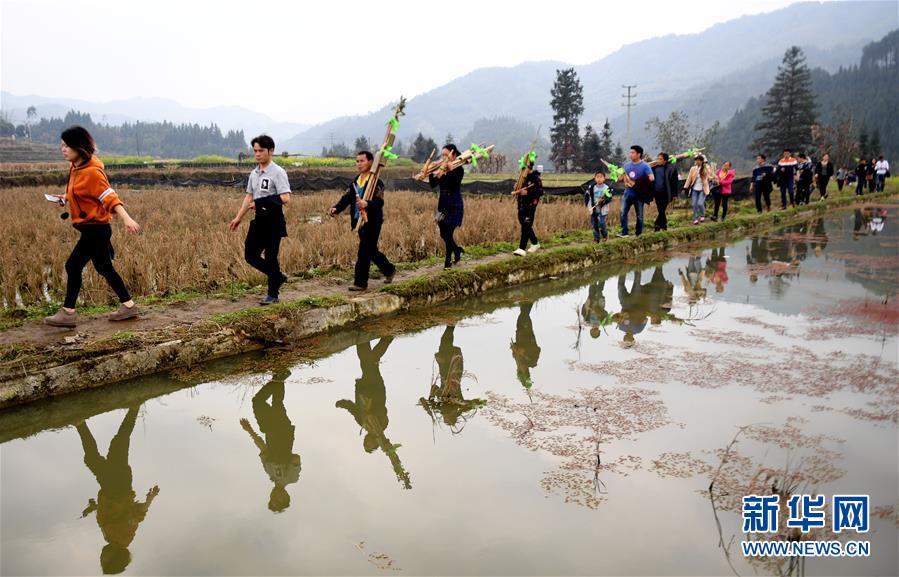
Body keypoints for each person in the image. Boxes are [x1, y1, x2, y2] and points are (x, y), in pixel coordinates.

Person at [44, 126, 141, 328]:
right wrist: (65, 198)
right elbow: (80, 192)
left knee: (73, 265)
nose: (63, 149)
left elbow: (109, 197)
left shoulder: (93, 172)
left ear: (79, 147)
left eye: (67, 145)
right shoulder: (75, 167)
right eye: (62, 145)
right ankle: (129, 306)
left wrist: (126, 218)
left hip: (96, 229)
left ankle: (68, 312)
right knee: (104, 267)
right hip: (91, 228)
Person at [76, 406, 158, 575]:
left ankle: (82, 423)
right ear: (114, 557)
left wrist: (94, 507)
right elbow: (135, 515)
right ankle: (81, 423)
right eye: (104, 559)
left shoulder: (112, 538)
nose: (101, 556)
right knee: (116, 444)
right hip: (118, 486)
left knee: (109, 449)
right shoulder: (123, 536)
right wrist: (150, 499)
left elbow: (113, 514)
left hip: (111, 488)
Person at [336, 337, 411, 489]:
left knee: (367, 362)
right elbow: (381, 410)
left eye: (365, 443)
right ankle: (381, 339)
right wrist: (371, 413)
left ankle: (365, 339)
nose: (367, 441)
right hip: (376, 390)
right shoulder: (382, 425)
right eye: (369, 444)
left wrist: (342, 404)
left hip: (364, 388)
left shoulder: (362, 423)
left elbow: (353, 409)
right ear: (376, 443)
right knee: (368, 362)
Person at [229, 135, 290, 305]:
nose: (257, 154)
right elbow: (249, 197)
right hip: (259, 221)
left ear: (271, 151)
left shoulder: (278, 172)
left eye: (261, 151)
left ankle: (273, 295)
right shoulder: (254, 174)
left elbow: (285, 198)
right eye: (255, 151)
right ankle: (277, 276)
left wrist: (262, 202)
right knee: (250, 255)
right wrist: (238, 217)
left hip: (274, 221)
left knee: (271, 257)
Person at [329, 150, 396, 291]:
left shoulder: (377, 182)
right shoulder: (356, 180)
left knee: (364, 251)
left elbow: (379, 202)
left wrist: (367, 204)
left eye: (362, 161)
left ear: (371, 162)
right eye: (357, 161)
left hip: (373, 221)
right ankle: (389, 270)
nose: (359, 164)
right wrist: (336, 208)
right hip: (358, 221)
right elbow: (346, 198)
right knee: (371, 250)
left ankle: (360, 283)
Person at [240, 368, 301, 513]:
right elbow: (296, 458)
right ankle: (278, 377)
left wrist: (249, 430)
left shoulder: (271, 474)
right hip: (283, 435)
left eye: (272, 499)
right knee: (272, 403)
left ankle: (278, 376)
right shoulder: (291, 478)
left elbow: (263, 449)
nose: (273, 496)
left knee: (266, 402)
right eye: (276, 499)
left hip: (270, 432)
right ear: (285, 496)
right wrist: (284, 461)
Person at [429, 144, 465, 268]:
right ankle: (457, 250)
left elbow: (453, 184)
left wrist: (446, 171)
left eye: (446, 155)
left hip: (454, 204)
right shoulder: (441, 168)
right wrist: (432, 171)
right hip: (443, 203)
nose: (443, 157)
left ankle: (447, 262)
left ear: (453, 155)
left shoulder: (458, 169)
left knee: (448, 233)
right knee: (443, 233)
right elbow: (433, 184)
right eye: (442, 155)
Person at [617, 145, 654, 237]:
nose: (630, 154)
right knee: (622, 212)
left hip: (639, 194)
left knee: (640, 216)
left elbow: (652, 178)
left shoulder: (645, 166)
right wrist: (618, 175)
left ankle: (639, 233)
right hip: (628, 193)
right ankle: (624, 232)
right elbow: (620, 178)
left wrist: (637, 183)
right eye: (630, 152)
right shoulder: (626, 165)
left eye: (633, 152)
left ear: (638, 154)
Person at [512, 163, 544, 256]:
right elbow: (518, 189)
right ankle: (535, 243)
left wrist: (528, 192)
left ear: (528, 168)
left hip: (530, 206)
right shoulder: (522, 178)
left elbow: (540, 192)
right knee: (525, 224)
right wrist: (516, 188)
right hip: (521, 205)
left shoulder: (535, 178)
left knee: (526, 225)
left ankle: (522, 248)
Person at [651, 153, 679, 231]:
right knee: (660, 209)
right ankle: (663, 225)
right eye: (658, 158)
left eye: (660, 159)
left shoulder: (671, 169)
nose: (658, 160)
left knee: (662, 209)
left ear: (665, 161)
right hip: (657, 192)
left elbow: (674, 182)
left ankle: (657, 224)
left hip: (666, 193)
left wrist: (674, 194)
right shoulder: (654, 168)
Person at [585, 170, 612, 241]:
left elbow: (609, 198)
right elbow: (587, 196)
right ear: (595, 178)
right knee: (594, 225)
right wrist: (588, 205)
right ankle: (596, 238)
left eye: (601, 177)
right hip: (594, 209)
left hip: (603, 210)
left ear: (604, 178)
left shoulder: (606, 188)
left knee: (601, 223)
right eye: (597, 177)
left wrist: (603, 201)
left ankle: (605, 235)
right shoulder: (591, 188)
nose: (599, 179)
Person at [683, 154, 711, 224]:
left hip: (703, 189)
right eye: (696, 160)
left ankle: (702, 215)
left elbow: (709, 175)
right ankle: (695, 218)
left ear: (702, 161)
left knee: (700, 203)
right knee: (694, 204)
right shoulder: (693, 169)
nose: (697, 162)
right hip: (695, 189)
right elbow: (689, 178)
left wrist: (705, 170)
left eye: (699, 160)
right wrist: (685, 187)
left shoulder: (706, 168)